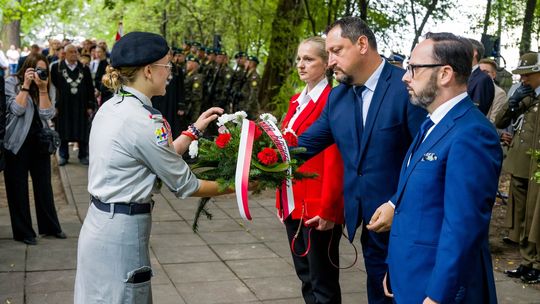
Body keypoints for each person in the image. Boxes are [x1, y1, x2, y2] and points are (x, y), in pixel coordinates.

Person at [74, 31, 229, 303]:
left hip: (100, 225)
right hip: (122, 233)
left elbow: (157, 156)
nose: (169, 72)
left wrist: (193, 129)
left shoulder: (113, 106)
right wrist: (239, 185)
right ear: (148, 70)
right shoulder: (144, 121)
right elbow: (186, 185)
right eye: (166, 65)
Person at [296, 17, 425, 304]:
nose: (329, 61)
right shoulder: (338, 97)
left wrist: (397, 204)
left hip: (408, 223)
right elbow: (304, 145)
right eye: (328, 53)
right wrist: (259, 157)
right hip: (369, 225)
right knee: (378, 294)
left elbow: (425, 157)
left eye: (336, 51)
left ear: (362, 44)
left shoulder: (406, 89)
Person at [383, 32, 502, 304]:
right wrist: (396, 266)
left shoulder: (472, 133)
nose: (405, 76)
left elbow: (463, 227)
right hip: (411, 275)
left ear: (445, 73)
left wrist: (439, 295)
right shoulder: (432, 124)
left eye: (413, 68)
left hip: (436, 289)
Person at [276, 37, 345, 304]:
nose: (300, 65)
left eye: (309, 59)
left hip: (317, 206)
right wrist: (281, 198)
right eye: (298, 59)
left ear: (327, 63)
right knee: (305, 276)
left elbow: (334, 158)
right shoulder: (296, 101)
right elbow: (286, 152)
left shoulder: (333, 100)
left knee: (322, 281)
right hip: (293, 202)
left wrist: (330, 209)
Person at [3, 53, 66, 245]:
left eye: (44, 70)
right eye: (36, 69)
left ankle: (50, 227)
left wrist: (43, 89)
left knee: (44, 187)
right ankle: (24, 232)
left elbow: (47, 114)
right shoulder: (11, 83)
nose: (40, 73)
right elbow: (16, 109)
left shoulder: (48, 85)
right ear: (27, 68)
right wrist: (26, 86)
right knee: (18, 189)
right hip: (16, 143)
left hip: (40, 143)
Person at [496, 52, 540, 284]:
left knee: (536, 218)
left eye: (528, 75)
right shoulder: (526, 95)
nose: (523, 80)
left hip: (536, 168)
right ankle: (526, 262)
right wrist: (513, 104)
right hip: (521, 165)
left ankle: (537, 264)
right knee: (521, 216)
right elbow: (500, 122)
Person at [50, 44, 96, 166]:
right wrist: (54, 105)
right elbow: (52, 88)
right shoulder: (57, 68)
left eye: (76, 52)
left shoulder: (84, 68)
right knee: (63, 129)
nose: (74, 54)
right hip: (63, 105)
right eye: (71, 52)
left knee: (82, 129)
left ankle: (83, 155)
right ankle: (64, 155)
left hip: (81, 105)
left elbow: (90, 87)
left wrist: (90, 105)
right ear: (65, 54)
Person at [467, 38, 495, 115]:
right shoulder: (463, 76)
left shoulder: (483, 79)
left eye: (463, 49)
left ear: (474, 53)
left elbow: (477, 112)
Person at [479, 58, 508, 124]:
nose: (481, 75)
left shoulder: (499, 94)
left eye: (485, 72)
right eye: (479, 72)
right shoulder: (472, 89)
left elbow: (493, 122)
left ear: (494, 75)